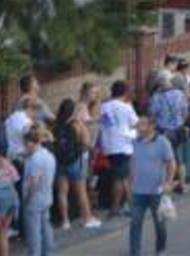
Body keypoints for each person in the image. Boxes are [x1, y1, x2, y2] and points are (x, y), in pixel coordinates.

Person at [127, 116, 175, 256]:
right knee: (135, 223)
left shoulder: (162, 142)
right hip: (138, 191)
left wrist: (168, 182)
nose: (138, 127)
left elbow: (171, 163)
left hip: (157, 191)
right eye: (138, 124)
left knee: (159, 224)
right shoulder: (135, 142)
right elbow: (132, 163)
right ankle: (135, 252)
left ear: (151, 126)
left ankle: (161, 249)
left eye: (142, 124)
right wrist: (129, 185)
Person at [52, 99, 100, 230]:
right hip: (75, 162)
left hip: (60, 162)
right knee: (81, 192)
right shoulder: (76, 124)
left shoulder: (57, 125)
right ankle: (87, 218)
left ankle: (65, 221)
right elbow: (87, 143)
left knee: (62, 192)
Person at [98, 80, 138, 218]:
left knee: (119, 176)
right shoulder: (126, 107)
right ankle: (122, 206)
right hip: (124, 145)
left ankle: (120, 206)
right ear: (125, 92)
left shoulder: (104, 107)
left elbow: (105, 124)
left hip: (109, 145)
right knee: (122, 177)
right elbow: (136, 123)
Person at [149, 74, 188, 192]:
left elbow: (153, 114)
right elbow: (185, 111)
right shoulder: (179, 94)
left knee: (165, 159)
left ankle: (168, 184)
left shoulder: (157, 97)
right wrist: (181, 122)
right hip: (178, 128)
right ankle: (182, 184)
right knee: (178, 156)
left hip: (164, 130)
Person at [21, 129, 56, 256]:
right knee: (46, 227)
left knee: (33, 231)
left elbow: (34, 181)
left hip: (35, 199)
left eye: (26, 144)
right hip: (47, 195)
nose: (25, 147)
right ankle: (49, 252)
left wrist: (27, 198)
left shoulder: (35, 159)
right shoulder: (49, 155)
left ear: (31, 143)